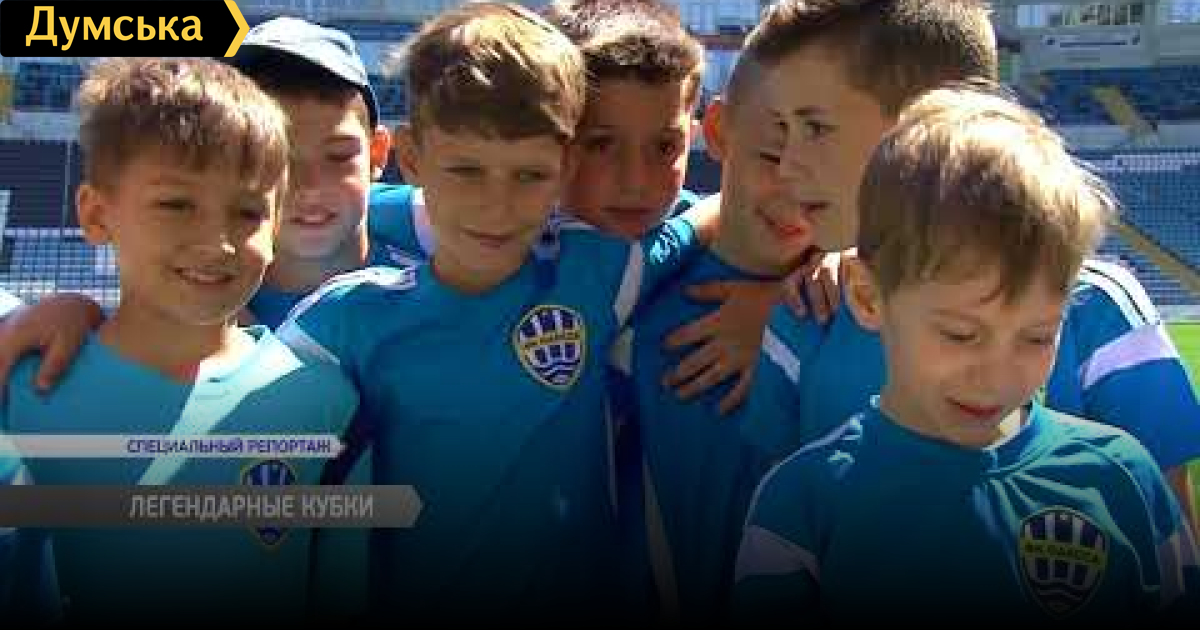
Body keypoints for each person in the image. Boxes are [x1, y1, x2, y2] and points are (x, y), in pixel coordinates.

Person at [275, 3, 714, 622]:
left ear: (563, 166)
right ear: (411, 158)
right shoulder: (342, 323)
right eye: (466, 171)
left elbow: (712, 217)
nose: (496, 204)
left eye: (529, 175)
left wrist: (825, 258)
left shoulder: (595, 273)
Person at [733, 82, 1198, 625]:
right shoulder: (803, 506)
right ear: (867, 296)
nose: (997, 377)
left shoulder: (1123, 480)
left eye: (1037, 336)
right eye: (960, 335)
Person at [750, 0, 1200, 531]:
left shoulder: (1095, 307)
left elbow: (1166, 534)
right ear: (868, 298)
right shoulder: (804, 317)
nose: (787, 164)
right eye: (960, 333)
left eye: (815, 128)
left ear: (932, 114)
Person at [0, 57, 358, 623]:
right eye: (176, 204)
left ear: (276, 223)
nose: (216, 241)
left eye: (247, 212)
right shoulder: (21, 390)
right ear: (96, 214)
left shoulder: (323, 398)